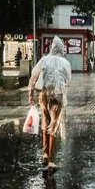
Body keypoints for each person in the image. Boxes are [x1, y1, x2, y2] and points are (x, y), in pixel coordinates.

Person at [28, 36, 71, 175]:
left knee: (45, 123)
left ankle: (45, 154)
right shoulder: (65, 63)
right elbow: (68, 81)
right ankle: (52, 161)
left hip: (45, 94)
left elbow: (34, 75)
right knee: (54, 126)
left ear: (52, 47)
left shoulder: (45, 59)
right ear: (61, 48)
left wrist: (30, 94)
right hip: (57, 96)